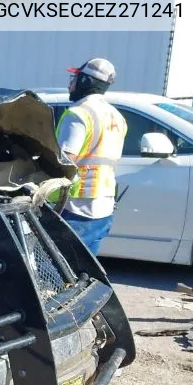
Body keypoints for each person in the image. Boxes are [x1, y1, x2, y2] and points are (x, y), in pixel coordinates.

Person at [52, 58, 127, 255]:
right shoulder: (116, 116)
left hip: (76, 208)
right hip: (104, 207)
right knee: (84, 273)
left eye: (75, 78)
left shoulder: (78, 114)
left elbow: (65, 163)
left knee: (56, 271)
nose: (70, 83)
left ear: (86, 81)